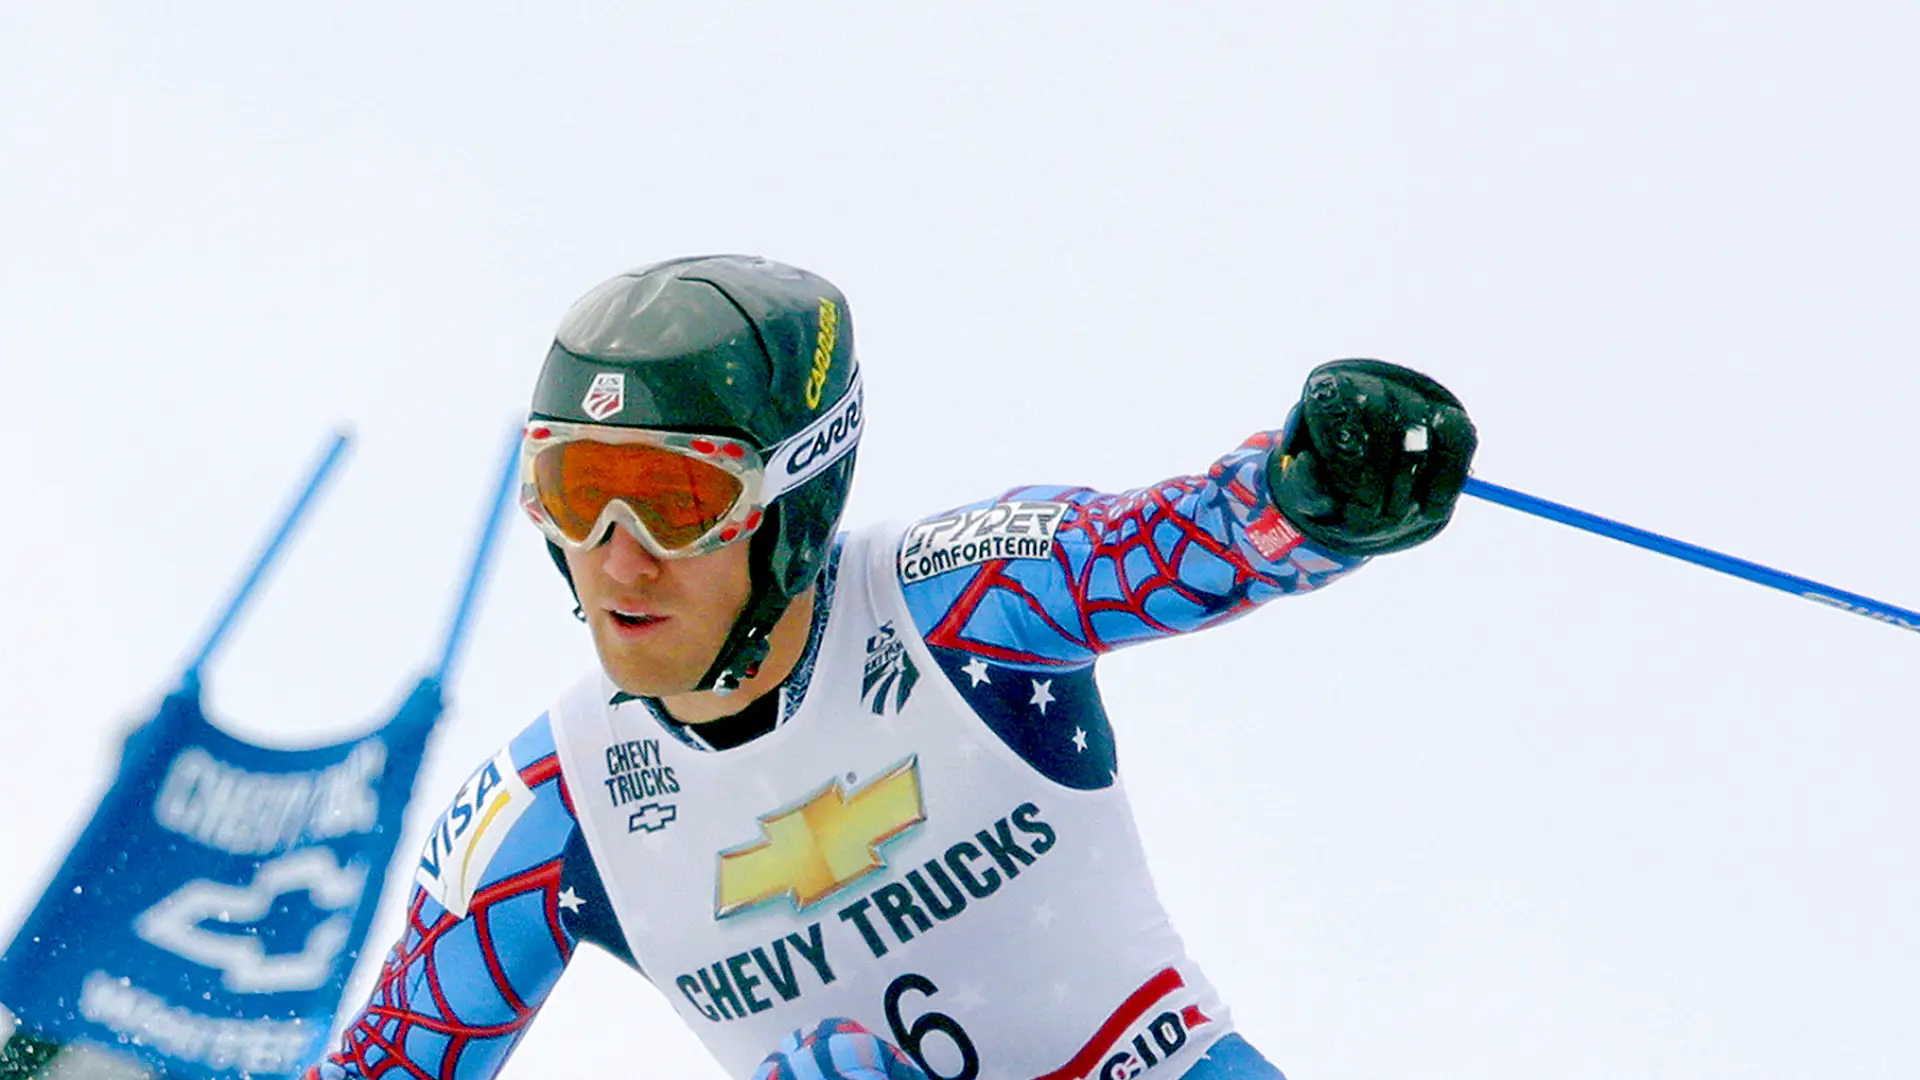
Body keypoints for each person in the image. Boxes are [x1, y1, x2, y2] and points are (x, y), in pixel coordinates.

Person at [305, 254, 1476, 1080]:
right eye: (575, 493)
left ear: (795, 500)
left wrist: (1316, 500)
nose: (621, 560)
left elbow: (1175, 538)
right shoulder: (547, 814)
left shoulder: (955, 599)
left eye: (677, 500)